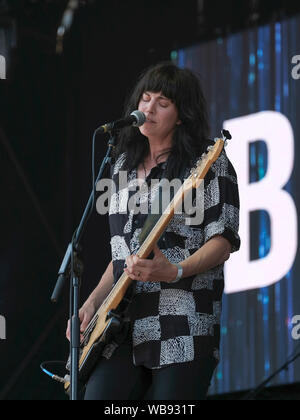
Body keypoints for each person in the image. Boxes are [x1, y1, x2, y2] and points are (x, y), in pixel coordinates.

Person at [66, 62, 241, 400]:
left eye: (163, 103)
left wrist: (174, 271)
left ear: (182, 115)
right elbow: (122, 256)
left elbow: (223, 240)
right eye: (145, 99)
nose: (148, 108)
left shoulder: (209, 160)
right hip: (119, 329)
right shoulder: (120, 166)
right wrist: (91, 303)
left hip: (182, 326)